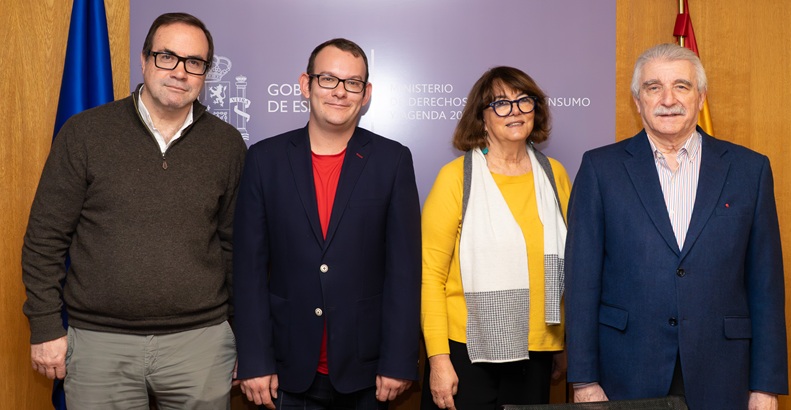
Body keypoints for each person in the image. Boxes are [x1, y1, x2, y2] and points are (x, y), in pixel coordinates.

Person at [21, 12, 246, 409]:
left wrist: (239, 334)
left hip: (201, 345)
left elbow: (236, 248)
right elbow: (45, 238)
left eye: (194, 62)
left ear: (205, 73)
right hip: (98, 345)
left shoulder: (227, 144)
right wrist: (44, 326)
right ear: (143, 60)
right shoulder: (86, 133)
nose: (180, 71)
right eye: (167, 57)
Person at [565, 43, 788, 410]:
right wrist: (585, 380)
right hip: (626, 371)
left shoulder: (750, 170)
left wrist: (765, 386)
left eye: (681, 86)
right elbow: (581, 283)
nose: (668, 99)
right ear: (638, 101)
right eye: (654, 87)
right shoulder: (600, 169)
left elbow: (765, 285)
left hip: (723, 371)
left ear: (700, 97)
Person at [232, 38, 421, 409]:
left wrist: (399, 360)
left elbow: (404, 270)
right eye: (328, 79)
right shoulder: (264, 160)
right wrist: (254, 359)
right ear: (306, 84)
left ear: (365, 94)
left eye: (352, 83)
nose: (340, 92)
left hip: (367, 370)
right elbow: (248, 268)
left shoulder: (392, 160)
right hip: (286, 369)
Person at [420, 66, 570, 410]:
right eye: (501, 103)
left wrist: (563, 343)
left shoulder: (555, 175)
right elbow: (430, 277)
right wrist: (439, 360)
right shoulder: (456, 178)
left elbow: (568, 268)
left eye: (523, 101)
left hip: (538, 350)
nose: (515, 111)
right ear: (481, 118)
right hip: (468, 350)